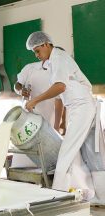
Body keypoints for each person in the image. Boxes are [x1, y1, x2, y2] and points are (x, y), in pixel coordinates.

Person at [25, 31, 97, 199]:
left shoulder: (59, 58)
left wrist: (35, 100)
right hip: (76, 107)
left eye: (37, 51)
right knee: (80, 154)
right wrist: (61, 122)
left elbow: (60, 87)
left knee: (66, 151)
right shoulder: (52, 63)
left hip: (83, 106)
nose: (36, 55)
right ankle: (86, 192)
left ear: (45, 44)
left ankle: (57, 195)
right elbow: (61, 95)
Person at [14, 61, 65, 133]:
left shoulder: (59, 75)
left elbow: (59, 101)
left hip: (48, 119)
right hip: (29, 116)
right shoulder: (30, 68)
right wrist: (20, 91)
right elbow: (17, 84)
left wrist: (57, 126)